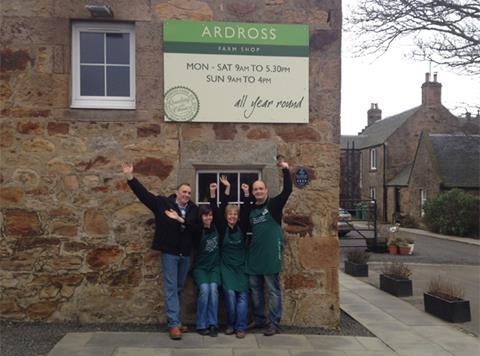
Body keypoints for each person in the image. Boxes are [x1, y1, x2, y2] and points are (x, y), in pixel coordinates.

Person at [121, 162, 198, 340]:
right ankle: (173, 325)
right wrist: (130, 177)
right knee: (171, 288)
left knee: (178, 288)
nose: (186, 195)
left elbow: (196, 229)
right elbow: (144, 195)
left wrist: (181, 220)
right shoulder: (163, 203)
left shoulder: (193, 209)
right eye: (183, 192)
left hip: (185, 254)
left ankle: (176, 321)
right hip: (170, 253)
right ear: (177, 193)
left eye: (188, 192)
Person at [246, 160, 292, 336]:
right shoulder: (251, 210)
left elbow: (287, 190)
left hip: (271, 255)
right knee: (256, 290)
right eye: (255, 189)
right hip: (254, 256)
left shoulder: (274, 205)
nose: (258, 191)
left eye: (261, 189)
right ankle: (258, 319)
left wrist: (286, 170)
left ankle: (273, 322)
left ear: (266, 190)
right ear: (253, 192)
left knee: (273, 290)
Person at [210, 176, 250, 339]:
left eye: (235, 214)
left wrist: (246, 193)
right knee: (231, 296)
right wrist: (221, 190)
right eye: (230, 214)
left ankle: (240, 327)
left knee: (243, 296)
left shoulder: (242, 225)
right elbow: (216, 208)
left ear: (238, 216)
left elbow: (247, 209)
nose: (232, 216)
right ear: (226, 216)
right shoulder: (221, 227)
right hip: (226, 267)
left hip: (241, 266)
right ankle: (231, 324)